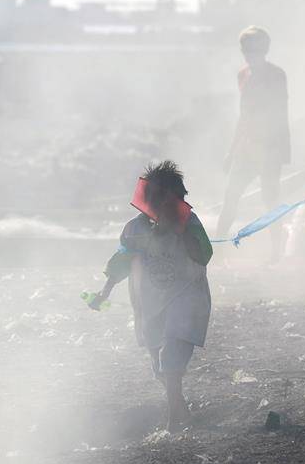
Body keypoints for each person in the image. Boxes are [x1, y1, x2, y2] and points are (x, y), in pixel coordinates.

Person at [89, 160, 213, 431]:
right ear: (149, 202)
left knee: (172, 354)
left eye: (177, 201)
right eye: (165, 202)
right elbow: (121, 261)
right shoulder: (135, 229)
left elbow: (204, 255)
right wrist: (104, 291)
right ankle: (180, 405)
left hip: (186, 297)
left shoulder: (190, 223)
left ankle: (173, 422)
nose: (171, 208)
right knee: (159, 366)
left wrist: (182, 232)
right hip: (149, 303)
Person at [215, 26, 290, 260]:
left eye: (253, 50)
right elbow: (243, 116)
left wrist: (280, 150)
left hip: (269, 148)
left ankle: (276, 252)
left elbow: (280, 113)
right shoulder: (243, 75)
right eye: (245, 50)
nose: (248, 54)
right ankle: (217, 251)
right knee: (230, 197)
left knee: (270, 200)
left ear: (263, 50)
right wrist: (231, 151)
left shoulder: (277, 75)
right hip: (246, 148)